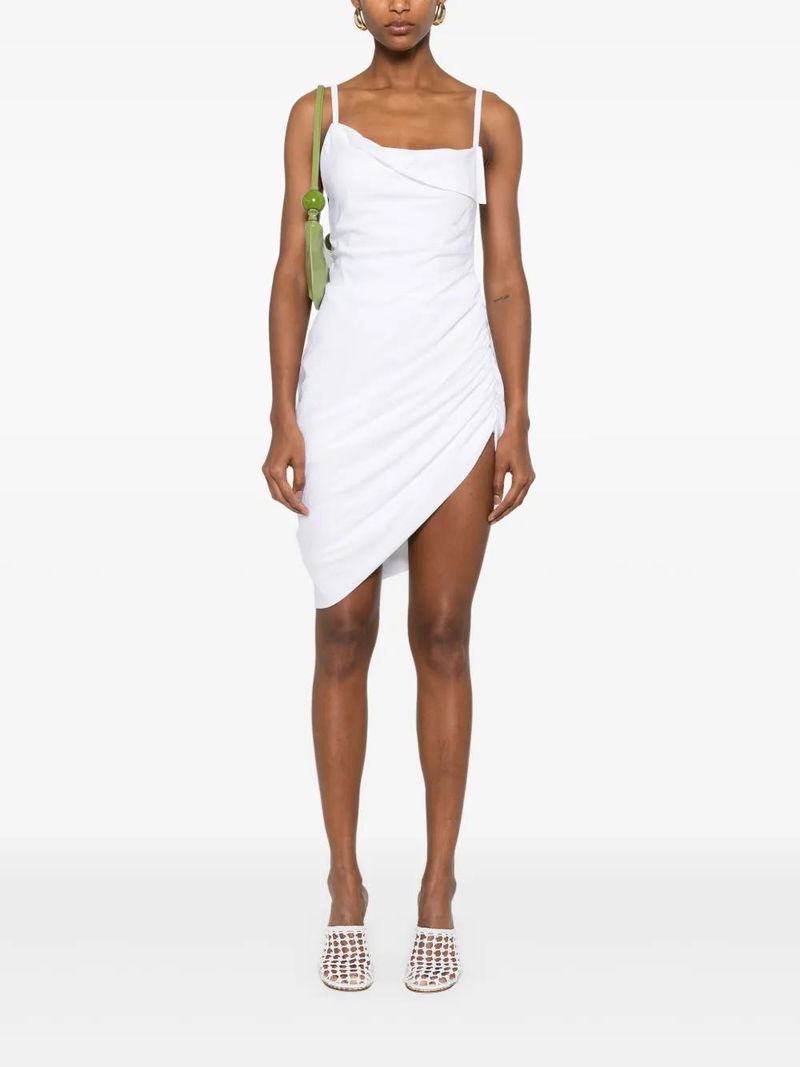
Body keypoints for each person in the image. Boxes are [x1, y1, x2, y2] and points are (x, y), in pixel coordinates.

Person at [263, 0, 534, 992]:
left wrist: (517, 418)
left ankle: (437, 887)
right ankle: (345, 886)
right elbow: (292, 269)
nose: (400, 6)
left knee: (444, 632)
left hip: (452, 388)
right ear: (356, 4)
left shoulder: (488, 117)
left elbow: (503, 278)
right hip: (344, 394)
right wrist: (282, 415)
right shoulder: (317, 113)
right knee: (341, 632)